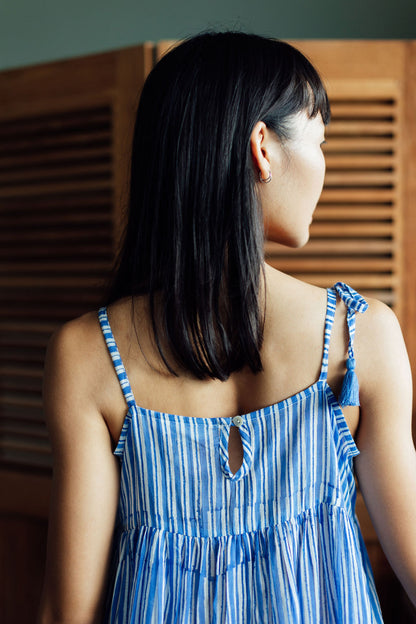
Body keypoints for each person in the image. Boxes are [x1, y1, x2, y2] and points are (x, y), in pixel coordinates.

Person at [37, 31, 415, 624]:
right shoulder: (360, 337)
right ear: (262, 147)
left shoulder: (87, 355)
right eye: (320, 141)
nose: (324, 166)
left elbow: (67, 613)